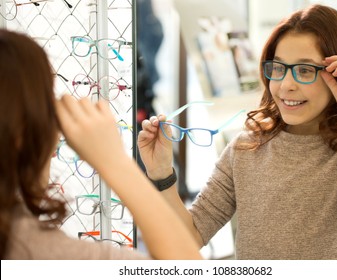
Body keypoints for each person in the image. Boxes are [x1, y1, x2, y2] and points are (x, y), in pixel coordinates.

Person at [138, 4, 337, 259]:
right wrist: (161, 173)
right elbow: (189, 236)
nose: (286, 85)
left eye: (305, 70)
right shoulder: (245, 148)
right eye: (278, 68)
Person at [0, 29, 202, 260]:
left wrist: (161, 174)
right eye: (48, 103)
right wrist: (115, 162)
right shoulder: (44, 254)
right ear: (25, 133)